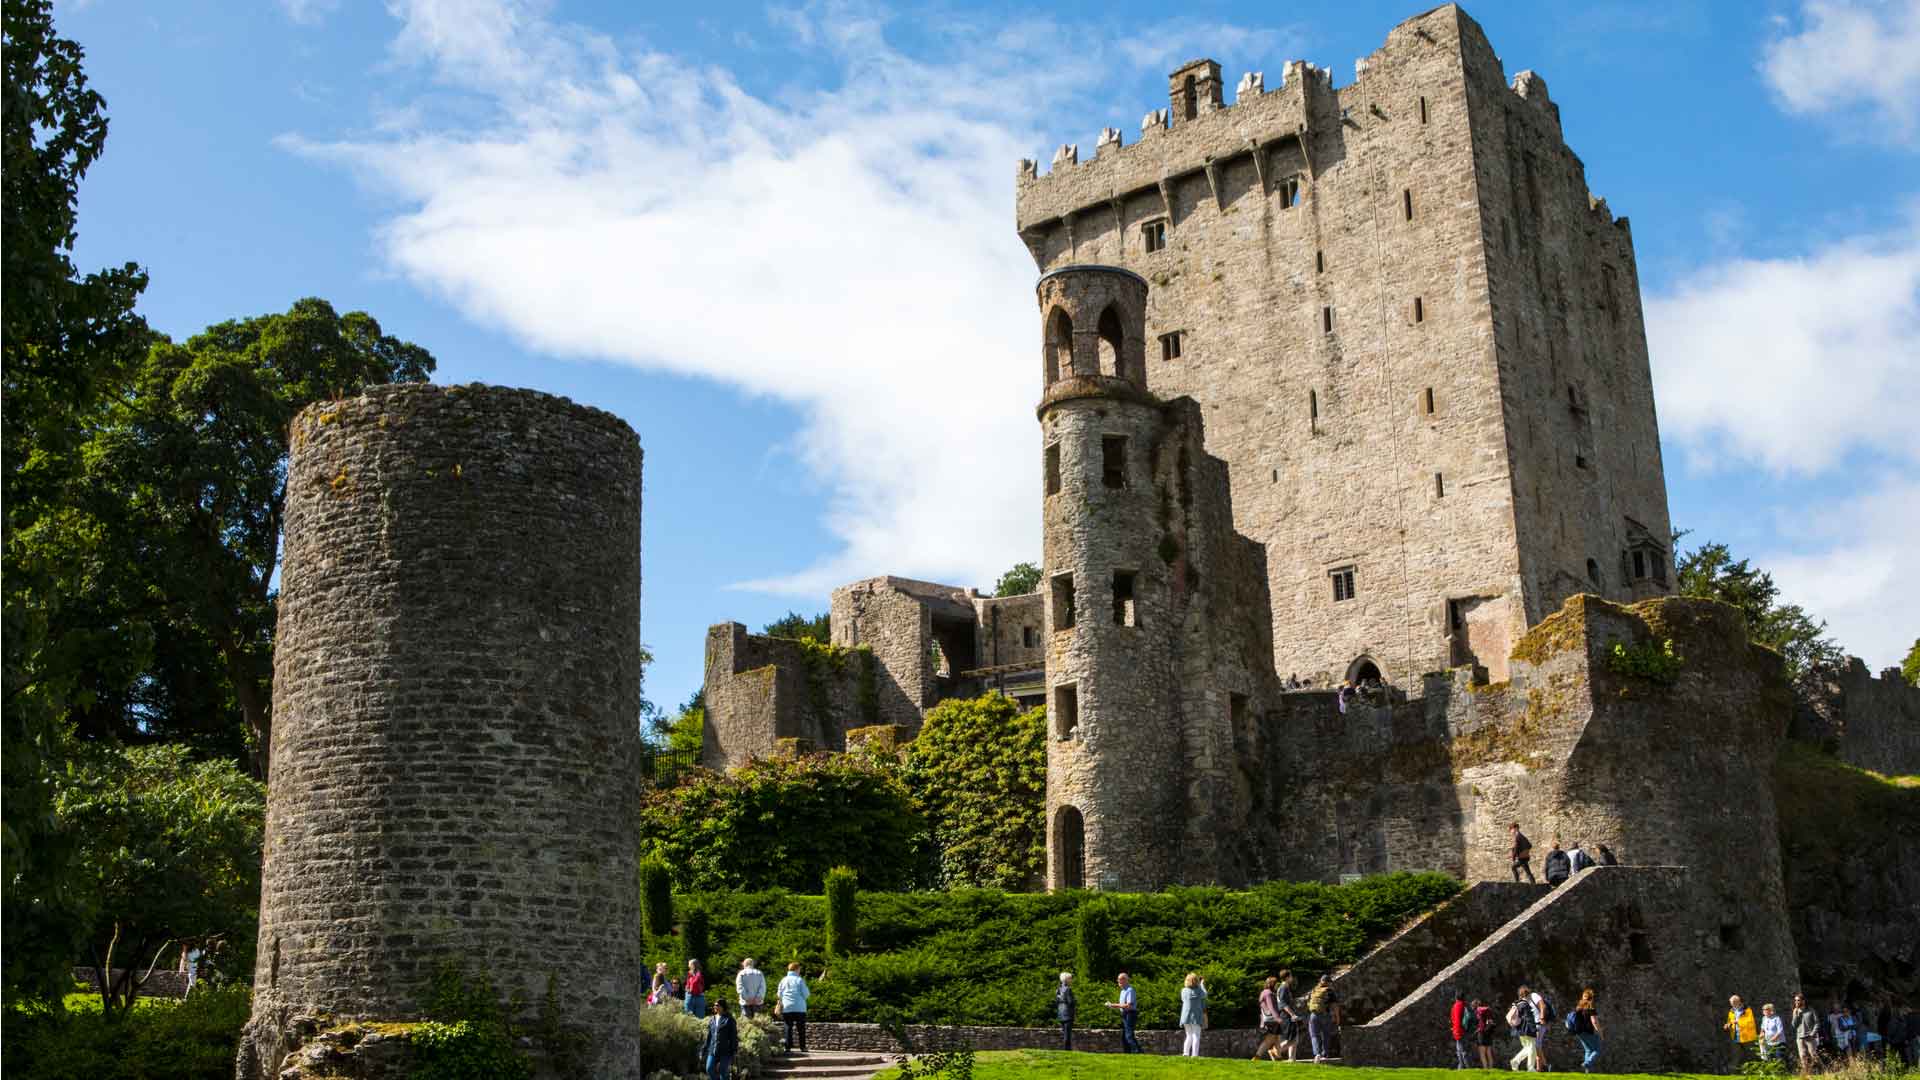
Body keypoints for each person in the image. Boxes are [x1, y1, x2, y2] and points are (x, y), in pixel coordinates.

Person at [777, 962, 810, 1054]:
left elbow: (779, 994)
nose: (800, 971)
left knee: (788, 1027)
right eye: (799, 969)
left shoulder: (783, 980)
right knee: (801, 1028)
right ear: (796, 969)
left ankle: (788, 1047)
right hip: (800, 1007)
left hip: (787, 1007)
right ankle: (802, 1047)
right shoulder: (799, 980)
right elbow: (806, 994)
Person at [1106, 972, 1142, 1054]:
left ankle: (1137, 1052)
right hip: (1125, 1014)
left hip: (1130, 1014)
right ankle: (1128, 1053)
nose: (1118, 981)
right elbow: (1122, 1005)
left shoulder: (1130, 990)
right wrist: (1113, 1006)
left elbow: (1128, 1005)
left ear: (1125, 980)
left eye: (1119, 979)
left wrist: (1112, 1005)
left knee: (1129, 1035)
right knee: (1125, 1036)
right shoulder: (1123, 991)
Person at [1308, 973, 1340, 1063]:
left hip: (1313, 1015)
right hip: (1325, 1014)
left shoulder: (1314, 990)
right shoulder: (1330, 991)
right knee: (1326, 1035)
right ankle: (1325, 1054)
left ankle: (1317, 1054)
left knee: (1314, 1035)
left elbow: (1309, 1002)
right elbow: (1335, 1006)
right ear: (1328, 982)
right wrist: (1337, 1017)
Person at [703, 999, 738, 1080]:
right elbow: (709, 1036)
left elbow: (734, 1037)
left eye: (717, 1005)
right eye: (715, 1005)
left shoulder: (729, 1019)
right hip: (713, 1049)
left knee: (723, 1071)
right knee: (709, 1069)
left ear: (723, 1007)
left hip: (725, 1051)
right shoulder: (712, 1019)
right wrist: (704, 1049)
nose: (715, 1007)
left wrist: (734, 1051)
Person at [1570, 988, 1603, 1073]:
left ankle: (1587, 1072)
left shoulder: (1578, 1008)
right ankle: (1587, 1063)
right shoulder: (1591, 1009)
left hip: (1579, 1032)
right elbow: (1594, 1022)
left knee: (1588, 1050)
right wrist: (1600, 1033)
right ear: (1591, 998)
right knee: (1597, 1050)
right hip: (1588, 1032)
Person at [1508, 987, 1540, 1072]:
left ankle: (1516, 1062)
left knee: (1528, 1048)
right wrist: (1535, 1029)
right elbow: (1529, 1018)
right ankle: (1529, 1067)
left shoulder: (1517, 1004)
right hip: (1528, 1029)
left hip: (1520, 1030)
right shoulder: (1525, 1005)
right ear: (1527, 995)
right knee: (1531, 1047)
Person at [1257, 976, 1288, 1062]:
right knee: (1269, 1039)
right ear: (1272, 984)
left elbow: (1262, 1009)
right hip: (1272, 1020)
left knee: (1277, 1038)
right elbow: (1271, 1007)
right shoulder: (1268, 994)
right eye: (1276, 983)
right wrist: (1278, 1018)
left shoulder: (1263, 992)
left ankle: (1278, 1057)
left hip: (1268, 1019)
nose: (1277, 985)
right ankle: (1257, 1056)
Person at [1180, 972, 1209, 1057]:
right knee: (1196, 1035)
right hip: (1196, 1016)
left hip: (1185, 1016)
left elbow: (1183, 1000)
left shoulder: (1183, 990)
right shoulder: (1199, 990)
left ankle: (1185, 1053)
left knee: (1188, 1035)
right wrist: (1202, 984)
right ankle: (1194, 1055)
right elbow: (1205, 995)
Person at [1727, 995, 1760, 1067]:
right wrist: (1728, 1025)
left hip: (1747, 1037)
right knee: (1735, 1056)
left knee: (1751, 1056)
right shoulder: (1731, 1011)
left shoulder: (1747, 1010)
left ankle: (1755, 1071)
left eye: (1733, 1002)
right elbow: (1729, 1021)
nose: (1731, 1004)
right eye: (1731, 1003)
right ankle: (1734, 1073)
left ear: (1738, 1002)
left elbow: (1750, 1022)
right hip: (1735, 1037)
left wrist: (1737, 1022)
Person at [1792, 992, 1822, 1072]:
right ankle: (1806, 1073)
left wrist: (1813, 1033)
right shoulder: (1795, 1011)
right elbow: (1794, 1025)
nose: (1796, 1002)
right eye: (1795, 1000)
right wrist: (1796, 1015)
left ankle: (1822, 1070)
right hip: (1800, 1037)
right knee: (1802, 1056)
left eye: (1798, 1000)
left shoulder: (1811, 1010)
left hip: (1810, 1037)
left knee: (1813, 1055)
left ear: (1803, 1001)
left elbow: (1817, 1023)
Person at [1529, 986, 1555, 1071]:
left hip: (1540, 1023)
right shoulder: (1529, 999)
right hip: (1538, 1023)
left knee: (1536, 1045)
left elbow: (1542, 1005)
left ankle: (1545, 1065)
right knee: (1537, 1045)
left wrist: (1542, 1018)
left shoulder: (1533, 995)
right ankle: (1540, 1068)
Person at [1450, 988, 1472, 1069]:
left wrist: (1454, 1028)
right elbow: (1468, 1017)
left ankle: (1462, 1067)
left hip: (1456, 1030)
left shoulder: (1454, 1006)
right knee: (1463, 1051)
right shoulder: (1463, 1005)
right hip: (1462, 1030)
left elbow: (1453, 1018)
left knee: (1460, 1051)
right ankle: (1465, 1067)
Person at [1474, 998, 1498, 1070]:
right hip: (1488, 1033)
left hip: (1481, 1033)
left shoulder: (1478, 1011)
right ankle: (1491, 1069)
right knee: (1488, 1053)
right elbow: (1490, 1022)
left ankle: (1485, 1069)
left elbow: (1478, 1023)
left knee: (1482, 1053)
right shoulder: (1487, 1011)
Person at [1056, 972, 1077, 1051]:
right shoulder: (1068, 989)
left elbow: (1057, 1001)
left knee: (1064, 1033)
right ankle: (1067, 1050)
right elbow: (1070, 1002)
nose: (1071, 980)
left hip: (1061, 1013)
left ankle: (1066, 1049)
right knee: (1067, 1034)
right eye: (1070, 978)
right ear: (1067, 980)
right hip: (1068, 1013)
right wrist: (1075, 1001)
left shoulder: (1058, 989)